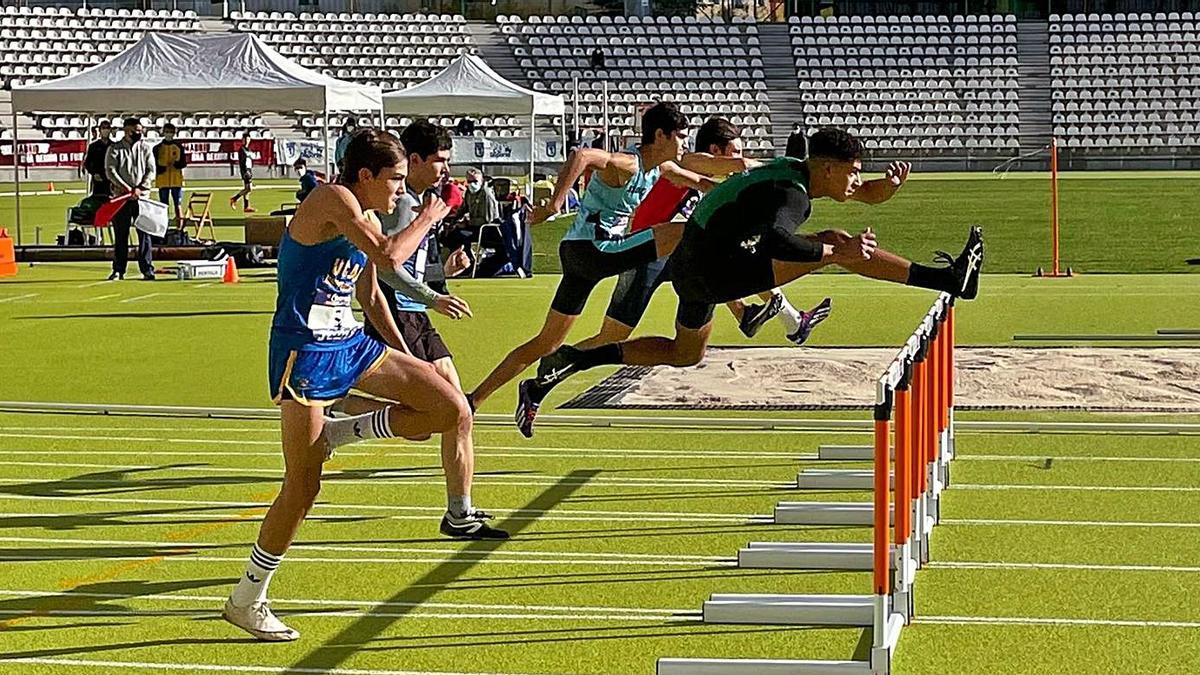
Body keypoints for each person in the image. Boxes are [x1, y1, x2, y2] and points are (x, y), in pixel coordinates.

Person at [222, 128, 505, 643]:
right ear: (366, 174)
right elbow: (391, 255)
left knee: (450, 410)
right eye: (395, 179)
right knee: (303, 488)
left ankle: (340, 433)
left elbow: (372, 291)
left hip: (351, 343)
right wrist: (428, 216)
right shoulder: (333, 198)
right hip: (304, 351)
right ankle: (247, 598)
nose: (401, 190)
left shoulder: (368, 215)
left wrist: (402, 357)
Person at [516, 128, 985, 437]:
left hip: (701, 261)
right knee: (835, 243)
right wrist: (827, 253)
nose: (858, 180)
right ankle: (948, 279)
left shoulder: (797, 173)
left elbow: (859, 193)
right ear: (826, 168)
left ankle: (574, 359)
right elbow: (781, 240)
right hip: (711, 266)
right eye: (854, 172)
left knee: (686, 354)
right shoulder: (791, 194)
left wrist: (883, 191)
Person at [467, 102, 715, 414]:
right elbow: (581, 155)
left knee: (547, 343)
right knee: (680, 231)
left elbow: (703, 183)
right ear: (661, 135)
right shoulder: (629, 163)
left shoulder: (661, 167)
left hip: (582, 255)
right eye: (680, 136)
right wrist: (555, 205)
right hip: (595, 249)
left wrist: (737, 189)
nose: (685, 143)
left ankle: (474, 399)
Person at [574, 117, 838, 354]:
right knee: (613, 335)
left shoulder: (709, 185)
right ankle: (560, 361)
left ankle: (767, 317)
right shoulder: (687, 161)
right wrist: (778, 170)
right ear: (714, 151)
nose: (740, 156)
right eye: (735, 149)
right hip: (647, 253)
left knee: (737, 251)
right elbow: (740, 165)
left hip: (677, 251)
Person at [104, 117, 156, 281]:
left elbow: (151, 170)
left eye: (141, 131)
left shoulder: (145, 148)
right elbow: (110, 171)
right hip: (122, 198)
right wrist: (126, 187)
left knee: (145, 235)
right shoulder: (115, 148)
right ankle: (119, 270)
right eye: (135, 131)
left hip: (142, 198)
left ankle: (147, 269)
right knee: (121, 235)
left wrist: (141, 188)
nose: (139, 134)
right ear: (126, 131)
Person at [153, 122, 188, 224]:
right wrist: (162, 168)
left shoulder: (178, 147)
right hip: (163, 180)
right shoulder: (157, 148)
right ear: (163, 132)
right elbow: (154, 164)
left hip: (176, 180)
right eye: (167, 132)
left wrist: (176, 164)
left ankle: (179, 228)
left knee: (178, 205)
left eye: (171, 132)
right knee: (163, 205)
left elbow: (183, 163)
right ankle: (164, 226)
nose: (169, 134)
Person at [84, 120, 114, 198]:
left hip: (111, 180)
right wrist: (94, 173)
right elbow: (87, 163)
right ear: (100, 130)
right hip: (98, 179)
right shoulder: (93, 146)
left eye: (107, 128)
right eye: (103, 128)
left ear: (110, 130)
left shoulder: (114, 146)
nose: (105, 130)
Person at [230, 131, 257, 213]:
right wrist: (245, 171)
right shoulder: (242, 150)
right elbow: (242, 162)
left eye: (248, 139)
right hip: (245, 170)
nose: (247, 141)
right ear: (243, 140)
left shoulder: (248, 149)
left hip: (249, 169)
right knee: (249, 189)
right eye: (245, 139)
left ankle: (246, 206)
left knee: (247, 189)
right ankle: (234, 199)